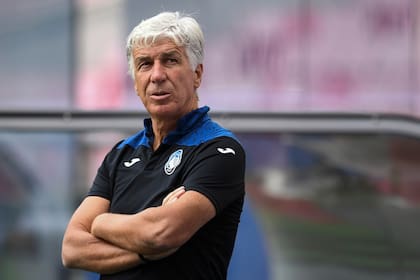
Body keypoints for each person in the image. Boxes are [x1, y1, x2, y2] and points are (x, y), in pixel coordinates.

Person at [61, 11, 246, 280]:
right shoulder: (120, 154)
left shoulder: (219, 150)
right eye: (145, 64)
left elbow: (160, 233)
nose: (157, 75)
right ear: (136, 83)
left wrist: (101, 223)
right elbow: (72, 249)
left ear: (197, 74)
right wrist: (146, 250)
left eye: (170, 60)